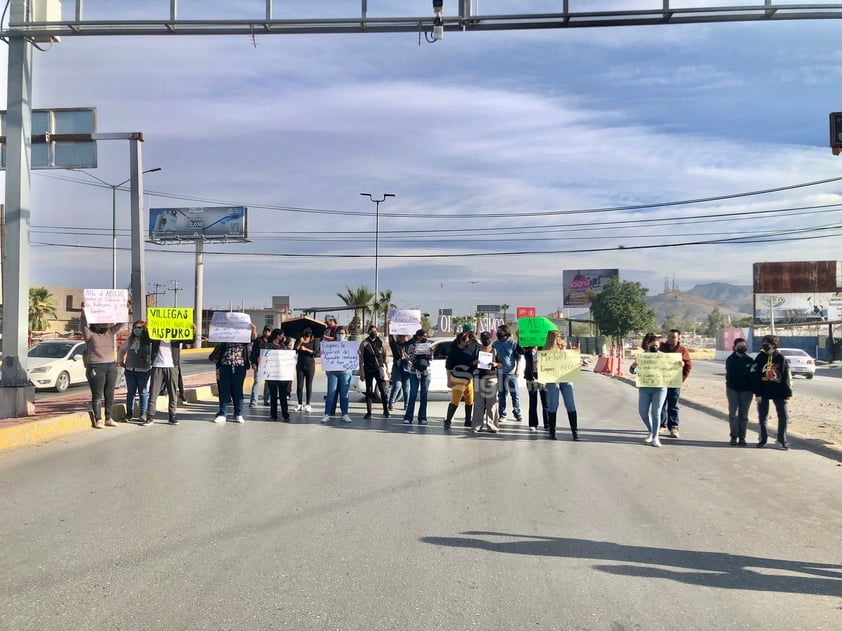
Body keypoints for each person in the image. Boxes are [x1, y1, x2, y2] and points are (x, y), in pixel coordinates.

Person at [80, 302, 125, 429]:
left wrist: (126, 309)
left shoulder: (110, 332)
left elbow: (121, 323)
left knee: (110, 393)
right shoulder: (90, 334)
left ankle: (109, 418)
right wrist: (83, 311)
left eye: (106, 322)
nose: (104, 324)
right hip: (96, 367)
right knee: (97, 394)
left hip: (111, 366)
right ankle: (98, 419)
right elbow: (83, 323)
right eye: (101, 322)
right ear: (95, 323)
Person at [142, 324, 195, 426]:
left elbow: (190, 341)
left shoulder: (176, 336)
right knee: (153, 392)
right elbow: (145, 341)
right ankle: (150, 416)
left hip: (172, 366)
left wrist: (193, 331)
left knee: (172, 393)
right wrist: (146, 329)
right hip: (157, 366)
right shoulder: (155, 335)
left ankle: (172, 415)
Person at [750, 334, 792, 449]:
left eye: (767, 344)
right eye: (763, 343)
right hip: (763, 391)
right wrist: (757, 393)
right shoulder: (760, 357)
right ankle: (763, 439)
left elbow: (786, 377)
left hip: (778, 392)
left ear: (774, 345)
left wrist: (787, 394)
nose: (764, 346)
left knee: (784, 416)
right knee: (763, 416)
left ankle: (781, 440)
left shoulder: (780, 358)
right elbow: (754, 376)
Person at [213, 322, 257, 423]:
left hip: (239, 366)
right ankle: (223, 413)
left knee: (238, 390)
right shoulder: (225, 337)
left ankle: (239, 414)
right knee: (224, 390)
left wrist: (253, 329)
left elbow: (254, 339)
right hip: (225, 365)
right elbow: (214, 337)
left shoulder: (244, 339)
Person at [629, 332, 667, 447]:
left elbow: (671, 369)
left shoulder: (663, 356)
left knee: (656, 413)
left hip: (659, 388)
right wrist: (634, 365)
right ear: (647, 344)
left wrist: (679, 365)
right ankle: (651, 431)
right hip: (645, 388)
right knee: (643, 412)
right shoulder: (642, 357)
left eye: (657, 345)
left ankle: (655, 437)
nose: (655, 348)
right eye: (653, 345)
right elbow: (632, 371)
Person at [543, 330, 578, 440]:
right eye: (557, 336)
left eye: (560, 336)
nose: (559, 339)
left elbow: (570, 361)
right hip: (552, 379)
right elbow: (538, 364)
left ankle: (575, 431)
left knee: (570, 403)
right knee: (554, 404)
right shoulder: (546, 351)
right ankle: (552, 432)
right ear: (552, 338)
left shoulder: (563, 348)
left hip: (566, 377)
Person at [659, 328, 692, 438]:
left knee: (673, 405)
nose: (670, 338)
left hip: (674, 382)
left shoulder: (682, 350)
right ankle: (661, 425)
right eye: (669, 336)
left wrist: (681, 378)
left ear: (678, 338)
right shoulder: (661, 347)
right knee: (661, 404)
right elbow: (646, 347)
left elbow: (688, 366)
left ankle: (673, 427)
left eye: (673, 337)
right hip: (660, 381)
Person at [117, 319, 152, 422]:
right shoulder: (130, 340)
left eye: (140, 328)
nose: (137, 330)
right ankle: (129, 414)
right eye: (135, 328)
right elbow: (122, 350)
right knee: (130, 393)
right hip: (130, 370)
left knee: (143, 392)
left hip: (144, 370)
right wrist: (120, 360)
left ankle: (143, 413)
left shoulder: (149, 340)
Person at [321, 325, 353, 424]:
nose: (341, 335)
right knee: (331, 393)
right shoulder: (330, 345)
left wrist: (356, 353)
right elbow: (326, 357)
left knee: (344, 394)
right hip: (333, 373)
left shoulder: (350, 345)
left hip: (346, 373)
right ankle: (327, 414)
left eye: (343, 334)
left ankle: (345, 414)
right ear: (336, 334)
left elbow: (354, 357)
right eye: (339, 333)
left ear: (346, 334)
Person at [725, 337, 753, 446]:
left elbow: (751, 375)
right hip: (733, 390)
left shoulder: (750, 360)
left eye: (744, 346)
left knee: (744, 415)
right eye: (740, 346)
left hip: (747, 391)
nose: (742, 348)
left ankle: (742, 437)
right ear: (734, 348)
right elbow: (732, 374)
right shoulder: (730, 360)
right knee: (733, 414)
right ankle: (733, 436)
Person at [472, 330, 502, 433]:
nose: (486, 340)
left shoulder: (494, 350)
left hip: (491, 379)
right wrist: (475, 362)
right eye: (484, 339)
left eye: (488, 338)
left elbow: (501, 364)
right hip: (479, 378)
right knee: (478, 403)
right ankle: (477, 426)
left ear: (490, 339)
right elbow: (471, 363)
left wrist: (495, 364)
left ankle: (492, 426)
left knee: (492, 403)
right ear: (481, 340)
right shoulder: (477, 350)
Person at [444, 332, 474, 431]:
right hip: (457, 378)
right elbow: (448, 367)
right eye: (466, 342)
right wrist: (448, 380)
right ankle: (448, 421)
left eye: (468, 341)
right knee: (455, 400)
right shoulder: (453, 352)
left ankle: (468, 420)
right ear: (460, 341)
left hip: (468, 379)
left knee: (470, 400)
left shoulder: (469, 350)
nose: (467, 343)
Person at [492, 324, 523, 422]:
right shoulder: (495, 344)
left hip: (511, 373)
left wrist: (518, 369)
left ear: (505, 332)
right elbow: (492, 356)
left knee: (515, 394)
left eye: (500, 331)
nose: (498, 332)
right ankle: (502, 414)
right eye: (498, 330)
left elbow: (518, 357)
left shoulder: (512, 343)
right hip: (500, 373)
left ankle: (517, 413)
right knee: (501, 394)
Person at [359, 324, 390, 419]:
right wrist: (361, 372)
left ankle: (385, 410)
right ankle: (369, 412)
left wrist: (387, 370)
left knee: (383, 390)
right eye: (372, 331)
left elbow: (385, 357)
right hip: (368, 369)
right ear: (368, 332)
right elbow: (361, 359)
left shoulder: (381, 342)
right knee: (369, 391)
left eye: (375, 331)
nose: (373, 333)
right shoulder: (364, 343)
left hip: (379, 368)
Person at [404, 329, 433, 425]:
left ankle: (422, 417)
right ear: (418, 337)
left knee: (424, 396)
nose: (425, 338)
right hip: (414, 372)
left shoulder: (428, 345)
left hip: (426, 372)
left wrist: (430, 353)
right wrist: (414, 354)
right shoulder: (412, 346)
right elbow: (409, 359)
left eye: (426, 336)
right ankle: (408, 417)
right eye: (423, 336)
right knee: (412, 395)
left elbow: (430, 359)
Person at [265, 329, 292, 422]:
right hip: (272, 374)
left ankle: (285, 414)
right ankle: (273, 415)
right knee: (273, 395)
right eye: (282, 335)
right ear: (278, 336)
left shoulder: (283, 347)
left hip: (282, 374)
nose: (283, 337)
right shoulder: (268, 346)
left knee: (283, 395)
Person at [522, 345, 548, 432]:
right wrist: (519, 337)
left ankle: (547, 424)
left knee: (545, 401)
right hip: (531, 378)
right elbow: (518, 350)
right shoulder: (527, 349)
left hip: (543, 377)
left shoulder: (544, 348)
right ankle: (533, 424)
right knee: (533, 401)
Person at [294, 327, 317, 412]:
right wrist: (300, 343)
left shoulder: (314, 340)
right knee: (299, 386)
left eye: (309, 333)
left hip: (310, 365)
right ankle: (299, 403)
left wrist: (306, 349)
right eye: (306, 332)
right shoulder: (299, 339)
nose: (307, 334)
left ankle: (308, 404)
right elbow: (295, 350)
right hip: (300, 365)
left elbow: (316, 353)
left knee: (308, 385)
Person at [249, 326, 272, 408]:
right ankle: (253, 401)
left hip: (269, 365)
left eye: (268, 331)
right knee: (257, 382)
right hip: (259, 365)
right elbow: (253, 353)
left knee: (268, 383)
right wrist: (253, 363)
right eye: (265, 330)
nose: (267, 332)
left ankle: (266, 400)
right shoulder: (258, 341)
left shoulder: (272, 341)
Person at [387, 334, 410, 411]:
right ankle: (391, 403)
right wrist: (390, 326)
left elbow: (415, 339)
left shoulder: (408, 344)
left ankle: (406, 405)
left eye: (403, 336)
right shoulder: (395, 345)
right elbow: (390, 339)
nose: (402, 338)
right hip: (397, 368)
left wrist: (418, 326)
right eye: (400, 336)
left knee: (406, 388)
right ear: (397, 337)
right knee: (397, 386)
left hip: (407, 368)